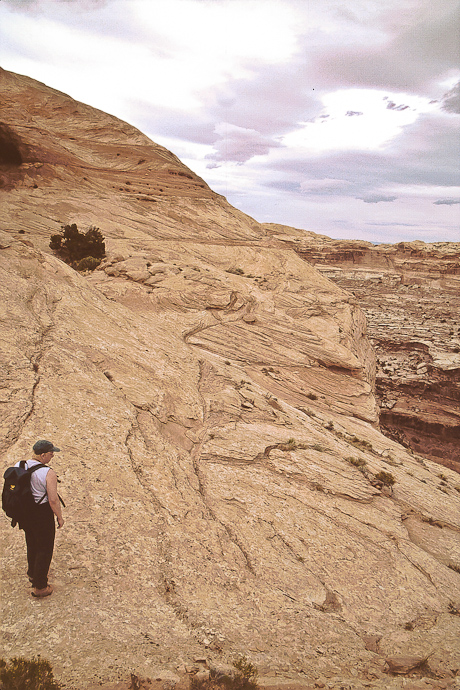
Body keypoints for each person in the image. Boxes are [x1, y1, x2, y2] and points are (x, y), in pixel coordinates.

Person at [16, 439, 64, 598]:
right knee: (44, 547)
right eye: (51, 454)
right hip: (42, 513)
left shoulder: (20, 466)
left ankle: (32, 574)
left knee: (32, 542)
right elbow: (53, 500)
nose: (52, 456)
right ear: (43, 455)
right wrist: (59, 516)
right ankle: (41, 587)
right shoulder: (48, 472)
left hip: (25, 512)